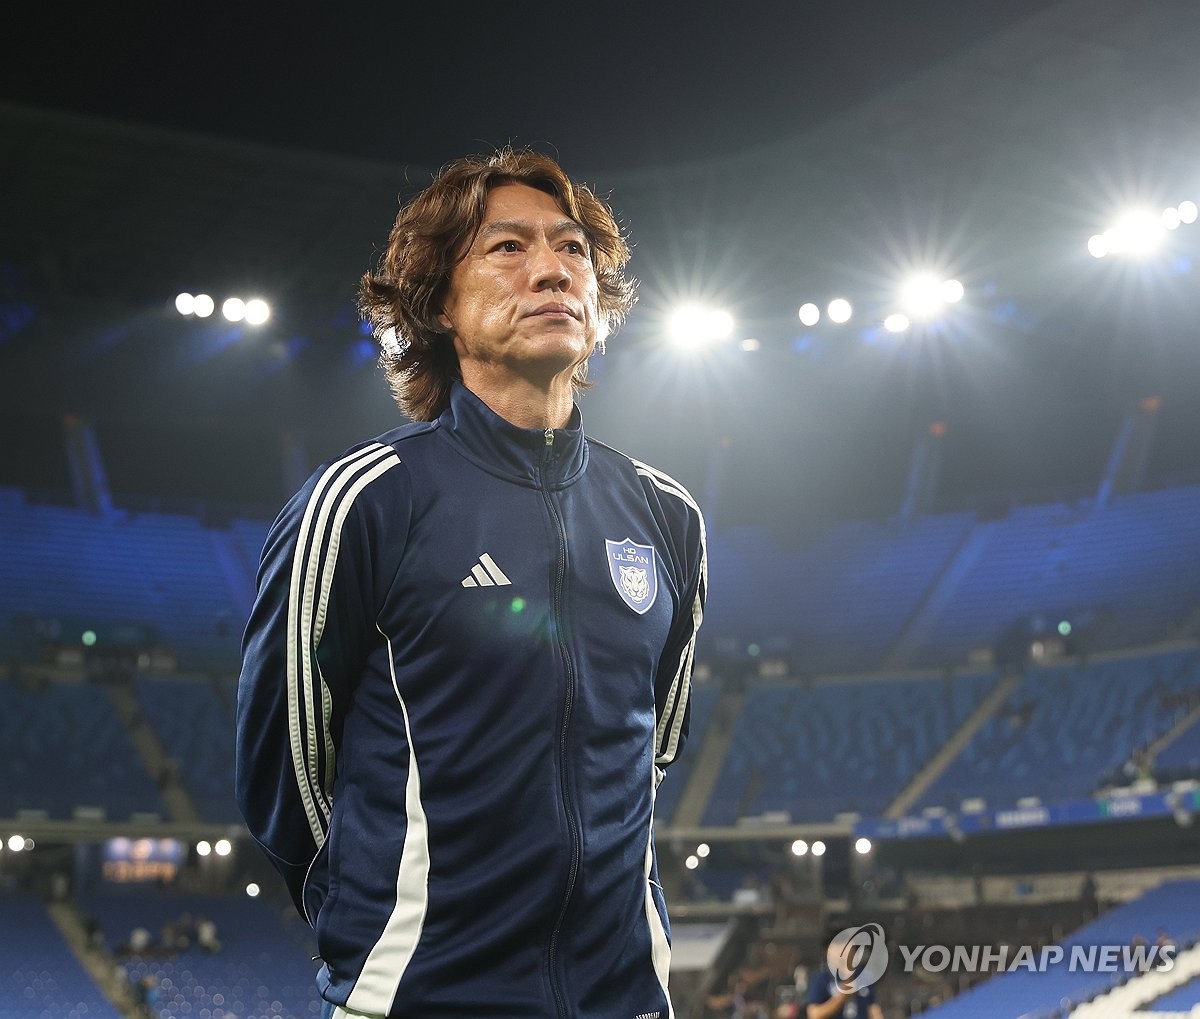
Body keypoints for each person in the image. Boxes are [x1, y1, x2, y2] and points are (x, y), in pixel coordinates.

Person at [236, 148, 707, 1019]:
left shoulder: (666, 515)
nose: (552, 269)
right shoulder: (363, 503)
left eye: (573, 249)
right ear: (437, 306)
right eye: (505, 248)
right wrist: (381, 934)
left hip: (627, 1000)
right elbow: (284, 770)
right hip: (424, 998)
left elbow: (653, 751)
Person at [805, 966, 883, 1019]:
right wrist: (843, 995)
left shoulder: (864, 976)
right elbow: (814, 1015)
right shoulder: (821, 978)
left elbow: (874, 1010)